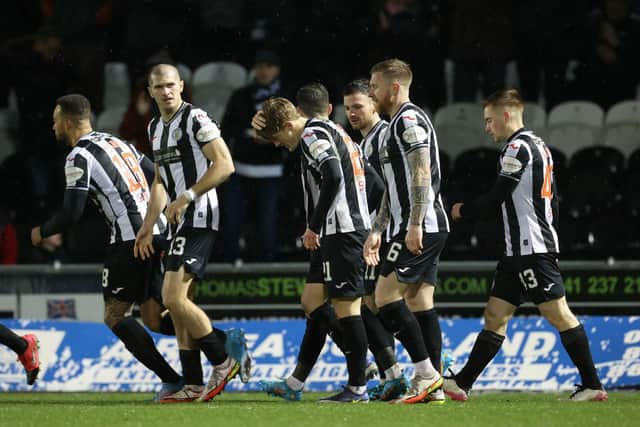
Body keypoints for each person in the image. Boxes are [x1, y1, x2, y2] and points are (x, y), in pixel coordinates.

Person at [444, 89, 608, 402]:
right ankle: (461, 383)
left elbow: (497, 197)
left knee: (558, 313)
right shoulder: (540, 146)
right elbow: (553, 201)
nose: (487, 128)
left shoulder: (516, 149)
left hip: (529, 250)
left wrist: (461, 210)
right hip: (517, 252)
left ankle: (592, 384)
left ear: (507, 116)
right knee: (495, 315)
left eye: (490, 120)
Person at [30, 94, 183, 400]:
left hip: (130, 240)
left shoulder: (78, 156)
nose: (53, 127)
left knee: (115, 315)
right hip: (159, 232)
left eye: (55, 120)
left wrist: (41, 232)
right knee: (155, 317)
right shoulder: (118, 143)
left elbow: (71, 214)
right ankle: (219, 341)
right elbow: (160, 174)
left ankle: (172, 380)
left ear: (68, 122)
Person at [134, 64, 249, 403]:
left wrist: (187, 196)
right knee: (181, 306)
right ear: (150, 92)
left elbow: (225, 164)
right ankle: (194, 383)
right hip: (176, 221)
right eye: (159, 87)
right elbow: (159, 182)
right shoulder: (155, 127)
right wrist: (146, 225)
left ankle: (223, 356)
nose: (166, 91)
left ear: (182, 86)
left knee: (172, 299)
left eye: (171, 85)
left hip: (199, 215)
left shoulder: (195, 119)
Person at [256, 92, 371, 403]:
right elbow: (372, 180)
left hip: (341, 231)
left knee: (347, 309)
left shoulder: (311, 134)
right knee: (311, 301)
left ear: (291, 124)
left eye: (278, 136)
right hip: (338, 231)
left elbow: (332, 174)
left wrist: (314, 226)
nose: (278, 144)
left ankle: (359, 385)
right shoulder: (333, 129)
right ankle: (296, 382)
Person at [364, 58, 449, 404]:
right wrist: (378, 228)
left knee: (384, 297)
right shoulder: (393, 124)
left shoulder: (408, 119)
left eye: (374, 86)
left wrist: (414, 223)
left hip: (421, 225)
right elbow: (392, 187)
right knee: (417, 300)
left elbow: (421, 172)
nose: (371, 92)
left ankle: (426, 375)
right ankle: (435, 384)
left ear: (393, 87)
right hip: (410, 225)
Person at [342, 79, 408, 401]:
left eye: (358, 106)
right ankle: (393, 375)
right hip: (381, 232)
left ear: (372, 103)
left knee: (375, 303)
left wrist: (373, 227)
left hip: (384, 233)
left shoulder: (381, 137)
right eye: (348, 108)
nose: (352, 113)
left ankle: (416, 369)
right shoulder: (365, 141)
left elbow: (385, 190)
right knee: (374, 303)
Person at [220, 50, 285, 263]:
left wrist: (273, 139)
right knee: (232, 222)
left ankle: (268, 270)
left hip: (273, 171)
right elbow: (227, 130)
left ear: (277, 69)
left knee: (267, 226)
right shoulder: (241, 95)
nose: (264, 71)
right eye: (260, 66)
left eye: (269, 66)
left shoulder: (285, 97)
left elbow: (294, 134)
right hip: (240, 169)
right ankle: (230, 269)